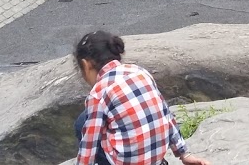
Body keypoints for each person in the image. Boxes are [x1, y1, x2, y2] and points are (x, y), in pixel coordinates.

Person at [73, 30, 209, 165]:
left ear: (86, 65)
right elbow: (166, 114)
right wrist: (184, 153)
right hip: (156, 159)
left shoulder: (98, 93)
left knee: (82, 123)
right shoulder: (140, 72)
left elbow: (89, 146)